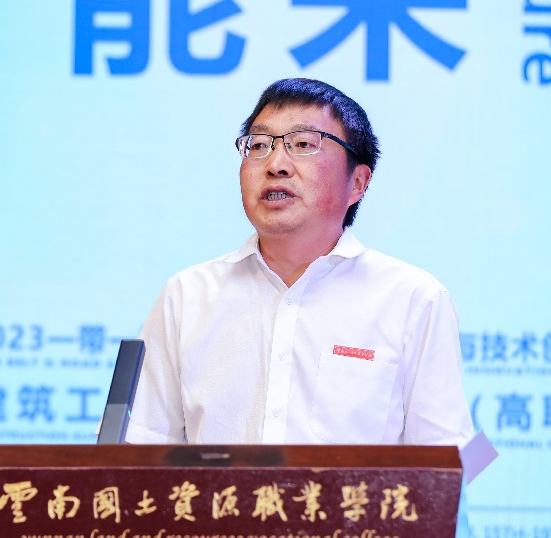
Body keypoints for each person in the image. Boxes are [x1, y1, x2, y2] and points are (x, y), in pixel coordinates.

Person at [125, 78, 473, 448]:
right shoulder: (187, 295)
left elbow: (452, 460)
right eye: (259, 145)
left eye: (303, 144)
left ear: (358, 182)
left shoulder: (413, 299)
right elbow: (138, 452)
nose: (275, 164)